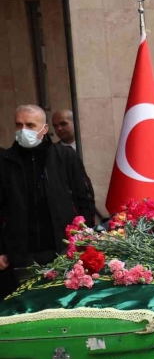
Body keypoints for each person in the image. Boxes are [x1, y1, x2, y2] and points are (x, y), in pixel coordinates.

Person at [0, 105, 95, 289]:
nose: (23, 131)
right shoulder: (5, 162)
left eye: (30, 125)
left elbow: (84, 198)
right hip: (21, 254)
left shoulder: (64, 157)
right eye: (18, 125)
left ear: (44, 129)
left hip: (62, 249)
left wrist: (86, 237)